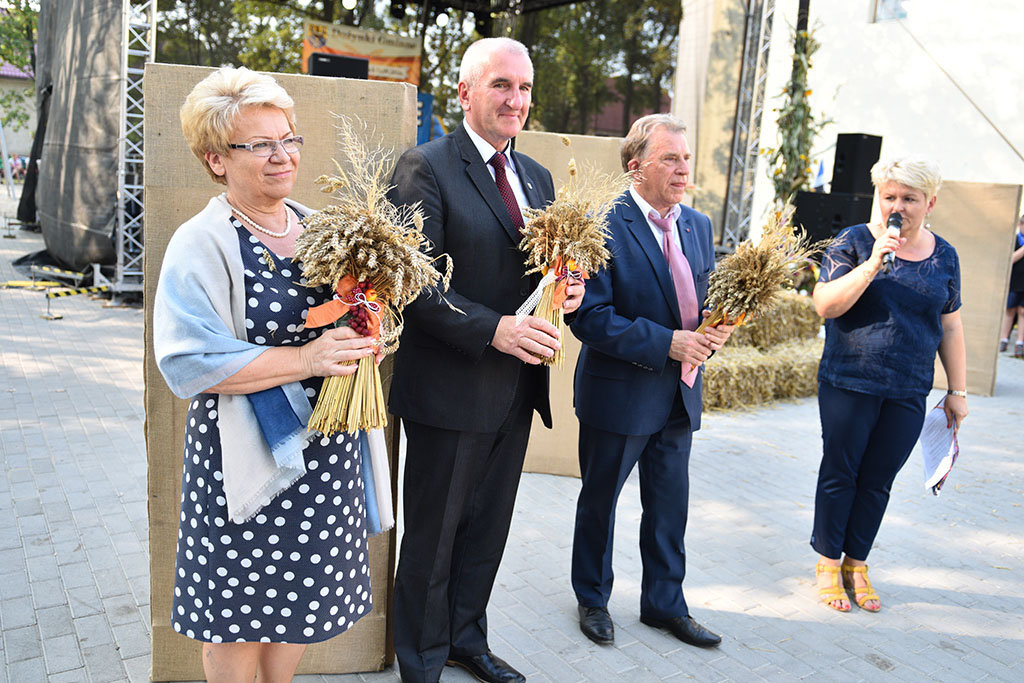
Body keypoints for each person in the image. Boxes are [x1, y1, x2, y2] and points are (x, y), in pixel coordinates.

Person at [153, 66, 383, 682]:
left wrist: (366, 340)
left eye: (289, 139)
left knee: (301, 604)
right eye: (260, 144)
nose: (283, 156)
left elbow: (351, 314)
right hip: (246, 455)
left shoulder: (320, 231)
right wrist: (307, 359)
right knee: (234, 615)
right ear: (216, 160)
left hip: (325, 450)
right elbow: (188, 361)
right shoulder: (201, 241)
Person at [387, 37, 584, 683]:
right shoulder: (425, 167)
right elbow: (413, 281)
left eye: (525, 88)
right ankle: (419, 661)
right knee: (433, 537)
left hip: (516, 388)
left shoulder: (536, 177)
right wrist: (493, 328)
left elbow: (536, 274)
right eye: (502, 85)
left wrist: (566, 290)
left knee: (485, 532)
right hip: (449, 387)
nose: (516, 100)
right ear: (466, 92)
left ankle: (467, 638)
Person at [569, 114, 734, 649]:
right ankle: (592, 600)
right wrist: (668, 342)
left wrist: (720, 324)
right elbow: (589, 317)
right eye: (670, 158)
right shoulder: (602, 225)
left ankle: (665, 605)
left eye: (685, 157)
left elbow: (697, 300)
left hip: (680, 396)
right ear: (636, 167)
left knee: (670, 506)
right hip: (619, 396)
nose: (683, 168)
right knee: (601, 502)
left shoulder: (699, 225)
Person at [811, 155, 968, 612]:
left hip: (908, 388)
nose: (897, 206)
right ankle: (826, 562)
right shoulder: (855, 241)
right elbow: (826, 304)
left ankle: (856, 563)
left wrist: (956, 392)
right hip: (849, 381)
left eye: (909, 198)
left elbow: (951, 327)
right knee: (841, 473)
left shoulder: (945, 256)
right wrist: (873, 265)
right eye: (889, 196)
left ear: (930, 202)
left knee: (878, 480)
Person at [998, 215, 1024, 356]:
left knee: (1022, 311)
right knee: (1010, 310)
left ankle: (1020, 342)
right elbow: (1010, 259)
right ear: (1020, 225)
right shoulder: (1015, 240)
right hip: (1014, 281)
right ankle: (1004, 338)